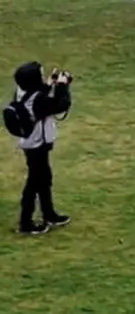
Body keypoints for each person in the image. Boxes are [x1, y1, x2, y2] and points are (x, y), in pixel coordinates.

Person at [8, 63, 71, 236]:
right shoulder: (38, 100)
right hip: (37, 144)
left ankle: (49, 213)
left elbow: (36, 95)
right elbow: (60, 104)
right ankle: (25, 223)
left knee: (43, 179)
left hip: (30, 143)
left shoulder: (21, 92)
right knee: (35, 183)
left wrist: (49, 84)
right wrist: (63, 86)